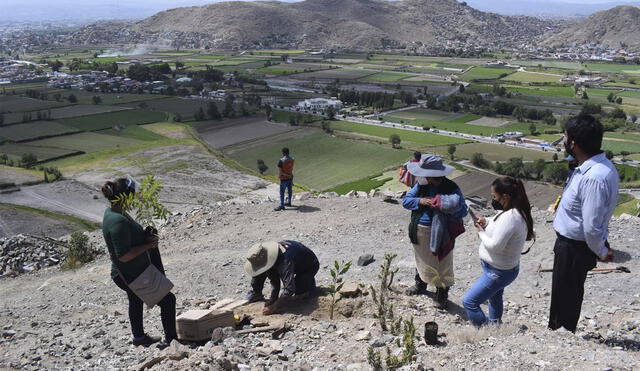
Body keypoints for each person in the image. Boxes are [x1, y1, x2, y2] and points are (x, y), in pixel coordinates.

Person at [550, 114, 618, 333]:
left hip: (575, 248)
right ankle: (559, 334)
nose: (563, 141)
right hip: (571, 246)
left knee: (566, 300)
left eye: (566, 137)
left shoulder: (594, 177)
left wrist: (602, 250)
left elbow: (591, 225)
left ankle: (561, 340)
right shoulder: (590, 167)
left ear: (573, 144)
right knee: (564, 296)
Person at [101, 177, 177, 348]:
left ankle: (139, 337)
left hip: (126, 272)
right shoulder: (118, 221)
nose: (135, 198)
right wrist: (148, 245)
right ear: (125, 197)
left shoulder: (114, 212)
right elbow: (124, 255)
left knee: (135, 300)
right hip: (132, 273)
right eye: (132, 195)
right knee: (168, 300)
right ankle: (172, 341)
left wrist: (144, 235)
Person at [462, 177, 535, 327]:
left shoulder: (511, 217)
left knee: (469, 301)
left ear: (506, 196)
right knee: (495, 297)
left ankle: (486, 330)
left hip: (498, 272)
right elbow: (499, 223)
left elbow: (495, 246)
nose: (493, 199)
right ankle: (495, 324)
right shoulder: (514, 211)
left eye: (495, 196)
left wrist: (481, 232)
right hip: (500, 269)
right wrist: (487, 221)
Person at [402, 154, 468, 309]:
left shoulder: (451, 188)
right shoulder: (421, 186)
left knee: (442, 263)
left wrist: (444, 206)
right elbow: (405, 201)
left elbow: (462, 210)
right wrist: (420, 201)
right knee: (421, 259)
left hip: (441, 233)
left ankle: (441, 294)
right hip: (420, 230)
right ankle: (420, 285)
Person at [244, 240, 319, 315]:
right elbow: (274, 280)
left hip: (309, 265)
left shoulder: (285, 261)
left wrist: (273, 307)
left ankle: (309, 289)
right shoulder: (268, 256)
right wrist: (273, 299)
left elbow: (289, 289)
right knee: (260, 271)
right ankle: (257, 294)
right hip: (294, 260)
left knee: (300, 292)